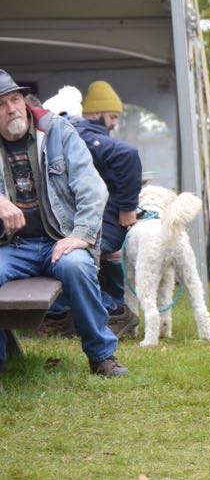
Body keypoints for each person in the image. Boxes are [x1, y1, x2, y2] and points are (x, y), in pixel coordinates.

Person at [0, 69, 127, 376]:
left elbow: (91, 187)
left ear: (24, 100)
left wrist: (81, 235)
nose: (11, 109)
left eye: (15, 99)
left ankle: (101, 357)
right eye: (1, 105)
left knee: (78, 267)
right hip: (12, 246)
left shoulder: (57, 131)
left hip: (60, 239)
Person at [38, 80, 142, 337]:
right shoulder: (82, 132)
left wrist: (128, 207)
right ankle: (68, 313)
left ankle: (109, 311)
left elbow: (127, 155)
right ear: (95, 114)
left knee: (61, 258)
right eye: (113, 116)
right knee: (59, 257)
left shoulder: (81, 134)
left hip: (98, 222)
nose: (115, 122)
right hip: (99, 220)